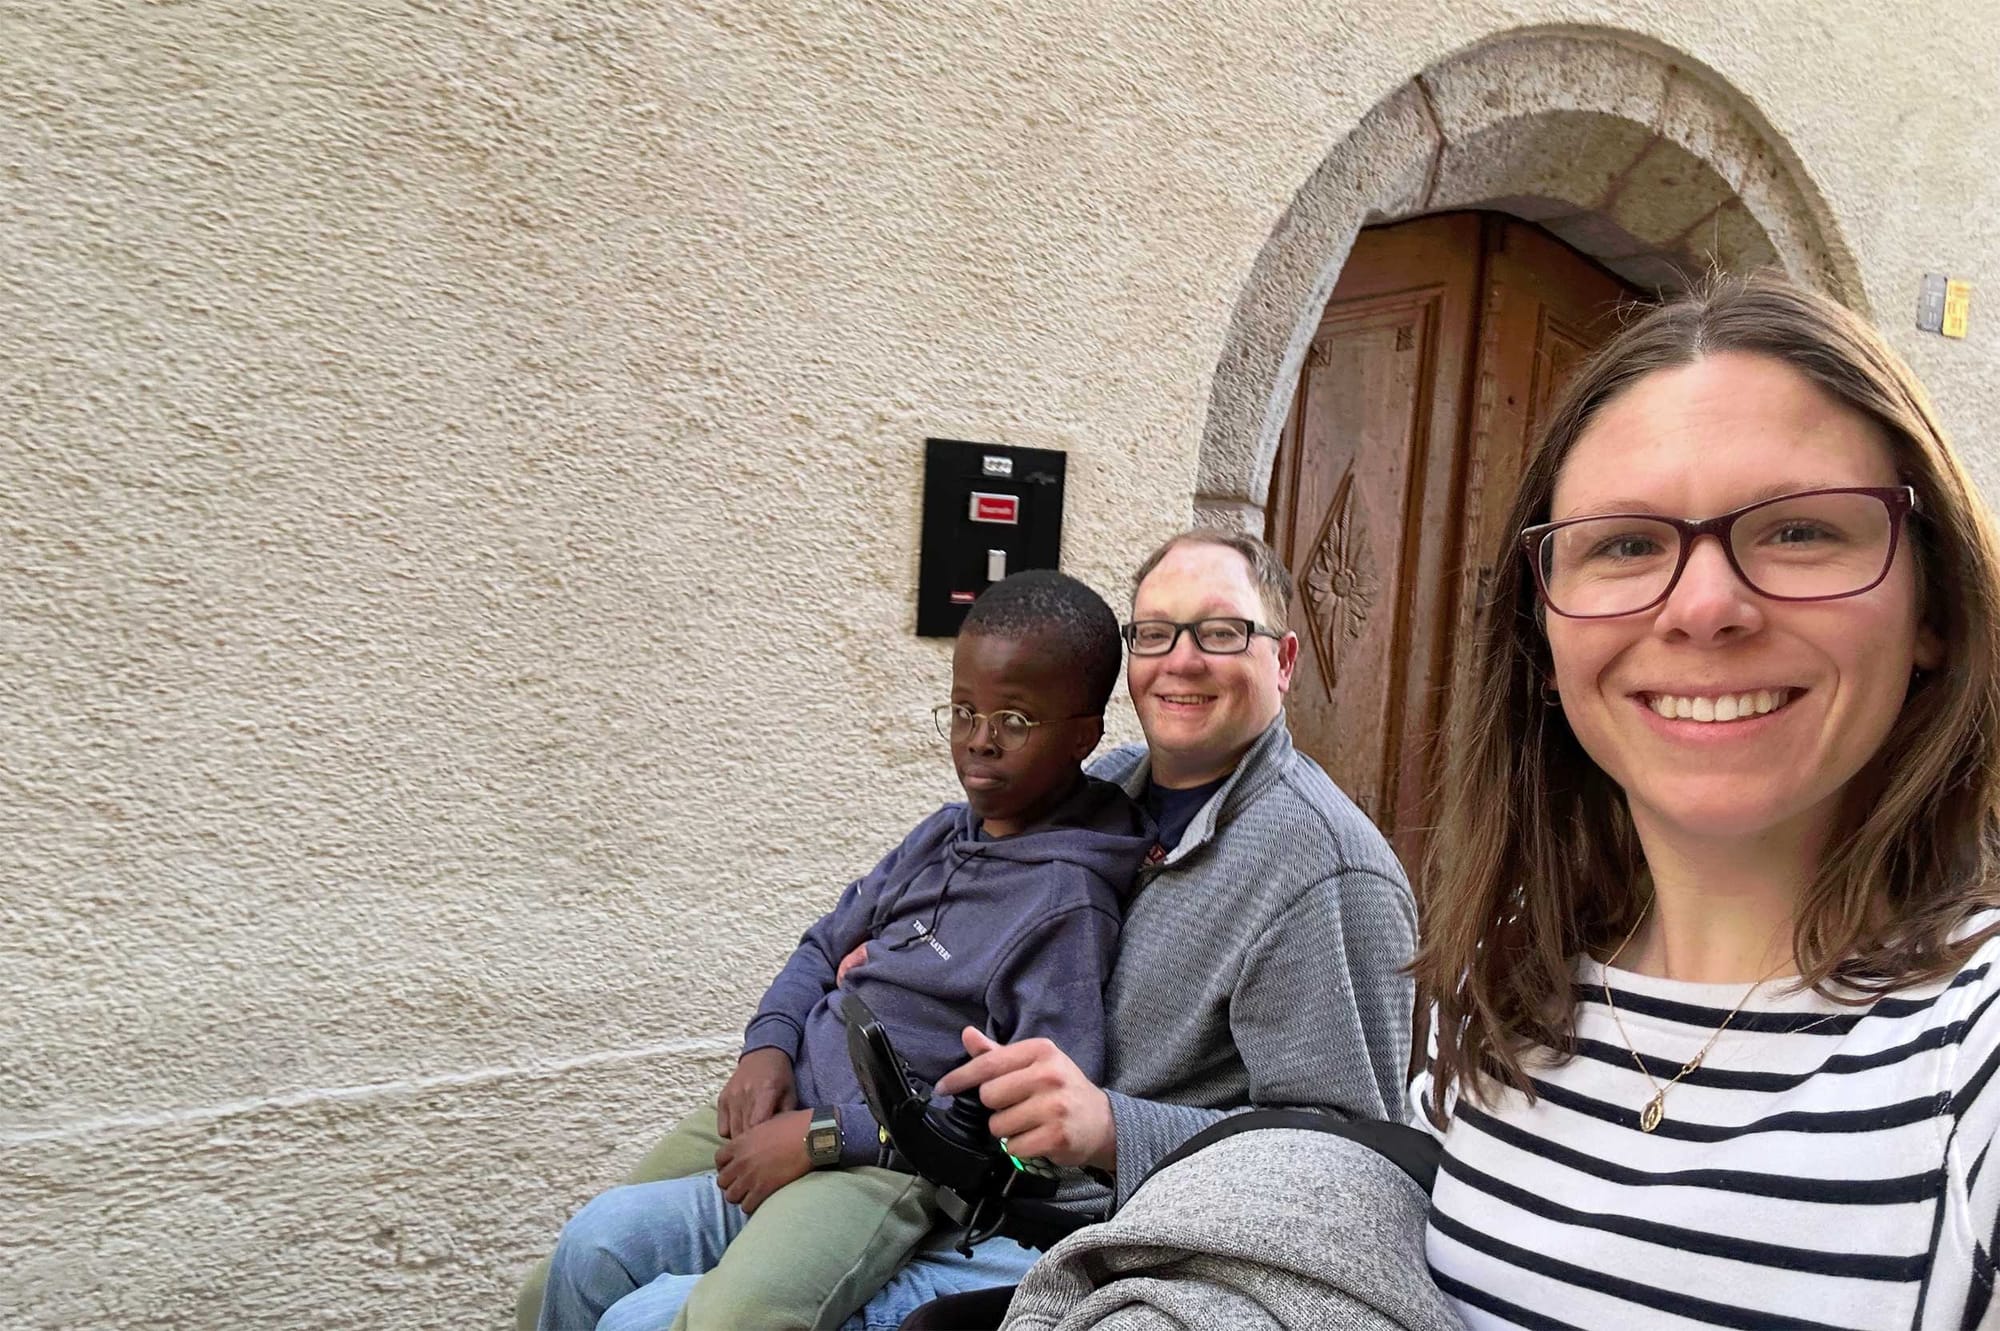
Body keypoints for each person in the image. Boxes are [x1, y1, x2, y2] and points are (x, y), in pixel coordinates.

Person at [1411, 272, 2000, 1330]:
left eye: (1798, 531)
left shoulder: (1977, 1058)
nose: (1703, 606)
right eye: (1625, 543)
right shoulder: (1496, 985)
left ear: (1933, 608)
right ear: (1542, 635)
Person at [529, 569, 1158, 1331]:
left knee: (730, 1317)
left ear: (1084, 734)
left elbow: (1020, 1126)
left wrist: (828, 1135)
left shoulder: (1064, 901)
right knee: (582, 1257)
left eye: (1015, 719)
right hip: (789, 1091)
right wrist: (767, 1046)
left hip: (882, 1158)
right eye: (964, 710)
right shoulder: (942, 833)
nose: (979, 738)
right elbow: (822, 945)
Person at [843, 530, 1420, 1329]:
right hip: (953, 1173)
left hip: (1118, 1251)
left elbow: (1351, 1155)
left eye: (1220, 631)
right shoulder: (1103, 786)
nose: (1181, 660)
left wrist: (1114, 1128)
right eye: (1154, 633)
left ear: (1284, 660)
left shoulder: (1327, 870)